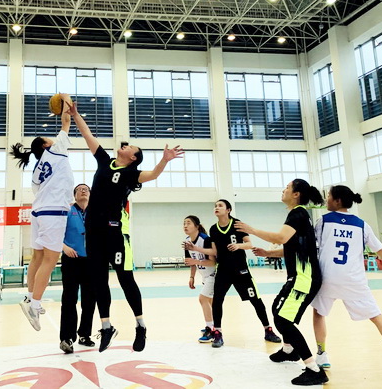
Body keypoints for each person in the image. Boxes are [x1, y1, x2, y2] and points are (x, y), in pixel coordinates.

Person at [70, 100, 183, 353]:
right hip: (93, 232)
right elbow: (87, 135)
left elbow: (153, 175)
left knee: (125, 279)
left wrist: (164, 160)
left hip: (115, 232)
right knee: (99, 281)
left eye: (131, 147)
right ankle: (106, 326)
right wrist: (75, 114)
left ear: (133, 157)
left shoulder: (132, 174)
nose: (125, 145)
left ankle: (140, 326)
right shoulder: (104, 161)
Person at [311, 185, 382, 379]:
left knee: (319, 313)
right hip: (354, 280)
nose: (326, 200)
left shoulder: (323, 221)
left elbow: (309, 247)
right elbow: (381, 251)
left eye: (329, 196)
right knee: (377, 317)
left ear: (337, 201)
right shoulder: (361, 225)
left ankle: (321, 354)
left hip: (328, 278)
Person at [241, 179, 327, 386]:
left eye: (287, 188)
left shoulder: (298, 214)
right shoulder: (298, 215)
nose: (283, 190)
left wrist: (252, 230)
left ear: (296, 194)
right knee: (276, 309)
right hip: (299, 277)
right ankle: (289, 350)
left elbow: (280, 237)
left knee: (283, 320)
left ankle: (314, 369)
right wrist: (268, 253)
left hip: (304, 278)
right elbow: (292, 247)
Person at [10, 93, 74, 331]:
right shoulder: (56, 150)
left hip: (37, 212)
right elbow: (66, 121)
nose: (53, 139)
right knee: (50, 259)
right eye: (50, 139)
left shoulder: (37, 169)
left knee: (37, 257)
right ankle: (35, 305)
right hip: (53, 212)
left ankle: (29, 297)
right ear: (47, 145)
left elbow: (37, 191)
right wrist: (65, 98)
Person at [185, 200, 280, 349]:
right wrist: (196, 250)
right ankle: (218, 333)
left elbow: (249, 244)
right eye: (215, 206)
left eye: (220, 206)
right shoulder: (213, 229)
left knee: (256, 300)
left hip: (240, 270)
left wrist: (238, 245)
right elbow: (214, 251)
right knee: (217, 301)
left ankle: (268, 329)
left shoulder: (237, 224)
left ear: (228, 210)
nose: (216, 208)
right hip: (223, 270)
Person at [59, 183, 96, 353]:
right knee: (69, 299)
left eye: (86, 189)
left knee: (89, 300)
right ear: (74, 195)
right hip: (71, 260)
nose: (83, 191)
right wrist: (64, 247)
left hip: (91, 262)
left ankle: (84, 334)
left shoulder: (95, 212)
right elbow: (55, 234)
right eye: (79, 189)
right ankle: (67, 337)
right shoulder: (67, 211)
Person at [182, 215, 216, 343]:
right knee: (210, 302)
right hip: (204, 276)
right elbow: (191, 261)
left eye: (188, 223)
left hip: (213, 274)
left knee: (203, 299)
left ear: (197, 226)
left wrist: (196, 261)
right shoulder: (187, 241)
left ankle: (210, 329)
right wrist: (192, 276)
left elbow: (213, 262)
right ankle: (214, 326)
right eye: (184, 223)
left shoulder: (205, 239)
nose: (185, 226)